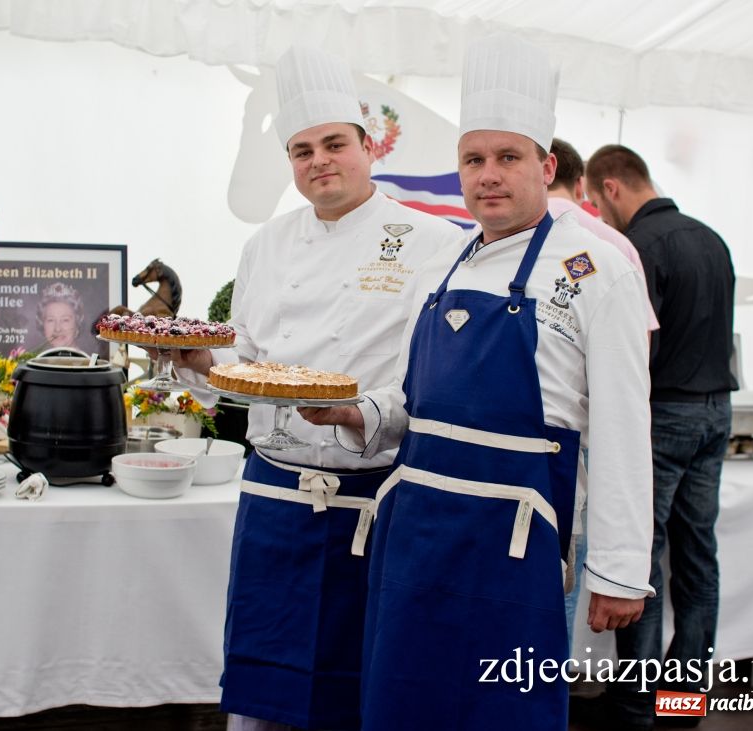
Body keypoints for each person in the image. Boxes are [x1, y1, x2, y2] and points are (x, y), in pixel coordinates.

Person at [301, 33, 655, 729]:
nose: (488, 174)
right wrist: (355, 413)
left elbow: (622, 427)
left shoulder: (597, 269)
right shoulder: (445, 260)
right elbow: (417, 400)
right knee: (404, 703)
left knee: (502, 710)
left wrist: (617, 570)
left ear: (546, 165)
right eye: (474, 160)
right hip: (415, 536)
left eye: (507, 158)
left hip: (512, 542)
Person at [173, 45, 463, 730]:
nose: (318, 161)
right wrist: (192, 362)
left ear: (367, 145)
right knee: (262, 683)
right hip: (272, 494)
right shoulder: (265, 246)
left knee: (358, 683)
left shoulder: (431, 242)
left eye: (333, 143)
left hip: (371, 499)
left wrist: (357, 411)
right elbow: (243, 369)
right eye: (301, 150)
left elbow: (435, 384)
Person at [572, 144, 736, 730]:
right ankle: (684, 703)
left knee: (638, 558)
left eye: (596, 200)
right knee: (698, 561)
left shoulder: (641, 247)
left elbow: (636, 354)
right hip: (718, 413)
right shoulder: (711, 238)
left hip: (664, 415)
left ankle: (638, 702)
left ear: (611, 188)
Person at [547, 137, 660, 653]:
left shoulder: (595, 252)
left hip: (565, 445)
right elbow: (640, 352)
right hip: (580, 437)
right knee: (557, 584)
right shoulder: (615, 242)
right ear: (580, 184)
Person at [34, 281, 84, 352]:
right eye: (50, 320)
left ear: (77, 324)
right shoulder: (35, 362)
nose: (57, 329)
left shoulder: (90, 362)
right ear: (42, 324)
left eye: (65, 320)